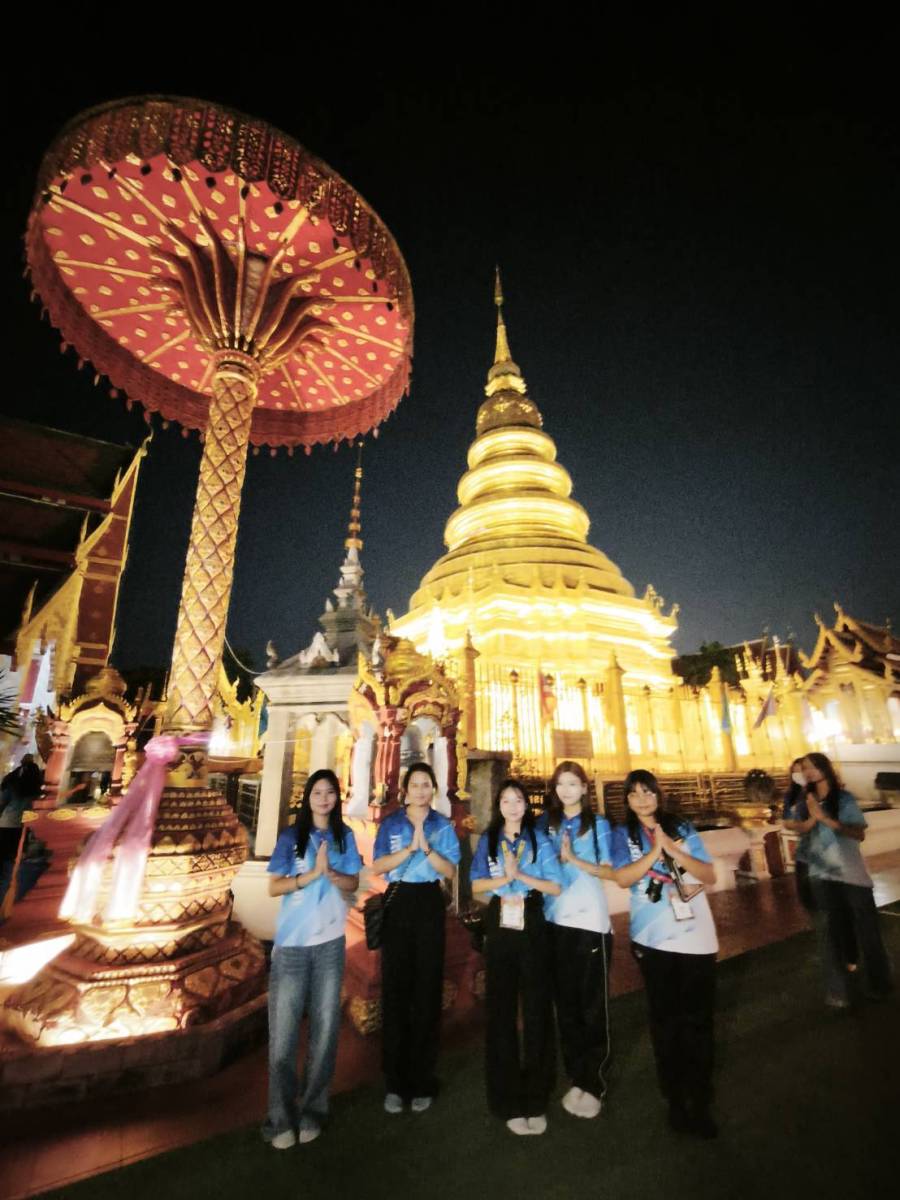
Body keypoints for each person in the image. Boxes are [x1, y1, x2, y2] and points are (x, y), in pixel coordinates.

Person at [610, 769, 719, 1138]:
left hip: (696, 936)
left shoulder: (681, 827)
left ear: (658, 795)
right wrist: (656, 851)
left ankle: (700, 1099)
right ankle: (674, 1098)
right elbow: (623, 878)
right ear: (626, 800)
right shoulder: (623, 834)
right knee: (665, 1021)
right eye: (634, 793)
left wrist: (672, 848)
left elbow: (709, 875)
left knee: (699, 1021)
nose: (642, 799)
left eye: (648, 792)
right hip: (653, 937)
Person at [264, 769, 362, 1150]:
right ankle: (280, 1118)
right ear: (308, 797)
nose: (324, 798)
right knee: (284, 1033)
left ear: (337, 797)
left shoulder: (344, 835)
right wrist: (310, 876)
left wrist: (331, 873)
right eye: (317, 792)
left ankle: (312, 1111)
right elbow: (274, 886)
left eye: (330, 792)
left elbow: (353, 882)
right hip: (292, 944)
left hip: (330, 943)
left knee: (325, 1030)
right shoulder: (292, 836)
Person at [470, 778, 562, 1136]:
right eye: (506, 800)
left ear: (526, 805)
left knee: (537, 1008)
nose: (512, 806)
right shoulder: (489, 840)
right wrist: (502, 881)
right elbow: (476, 884)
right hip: (500, 920)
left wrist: (520, 875)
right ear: (499, 806)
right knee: (501, 1010)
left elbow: (555, 885)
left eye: (518, 800)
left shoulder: (539, 839)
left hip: (532, 919)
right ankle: (507, 1099)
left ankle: (537, 1099)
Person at [370, 761, 461, 1114]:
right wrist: (408, 850)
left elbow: (450, 870)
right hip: (398, 902)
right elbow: (377, 866)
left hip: (428, 903)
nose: (421, 790)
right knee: (395, 990)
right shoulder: (391, 823)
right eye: (415, 784)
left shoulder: (442, 824)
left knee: (426, 990)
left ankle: (423, 1079)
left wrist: (426, 849)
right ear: (405, 790)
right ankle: (395, 1082)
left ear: (433, 789)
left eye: (426, 785)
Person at [537, 760, 614, 1120]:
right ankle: (575, 1076)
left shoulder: (597, 825)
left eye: (572, 783)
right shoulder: (545, 825)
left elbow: (610, 871)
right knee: (565, 1006)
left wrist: (574, 860)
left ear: (584, 787)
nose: (566, 790)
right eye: (560, 784)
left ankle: (594, 1082)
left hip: (589, 923)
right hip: (554, 922)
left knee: (592, 1006)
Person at [786, 752, 892, 1007]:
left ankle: (879, 983)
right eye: (805, 768)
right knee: (828, 934)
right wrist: (808, 817)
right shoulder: (803, 801)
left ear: (825, 769)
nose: (807, 772)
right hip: (820, 874)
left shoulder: (843, 799)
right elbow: (797, 827)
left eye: (812, 767)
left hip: (851, 874)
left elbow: (858, 834)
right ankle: (838, 990)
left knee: (867, 931)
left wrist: (825, 819)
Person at [782, 756, 857, 971]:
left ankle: (850, 954)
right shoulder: (793, 796)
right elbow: (788, 822)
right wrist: (809, 820)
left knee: (837, 907)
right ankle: (830, 950)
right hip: (806, 857)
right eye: (797, 771)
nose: (801, 774)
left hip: (831, 857)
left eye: (805, 769)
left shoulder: (830, 794)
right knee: (811, 903)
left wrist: (816, 818)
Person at [0, 754, 43, 913]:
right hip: (22, 827)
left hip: (6, 825)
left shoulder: (12, 784)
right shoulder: (35, 789)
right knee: (11, 863)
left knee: (3, 860)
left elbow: (2, 804)